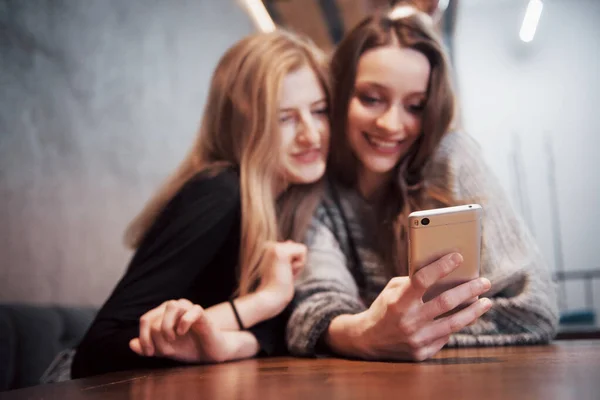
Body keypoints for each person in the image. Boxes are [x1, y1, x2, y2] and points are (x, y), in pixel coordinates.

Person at [286, 4, 559, 362]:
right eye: (371, 98)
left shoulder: (451, 158)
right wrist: (365, 334)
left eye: (415, 106)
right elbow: (315, 307)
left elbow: (534, 309)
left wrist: (398, 332)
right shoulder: (320, 182)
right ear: (338, 95)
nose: (391, 124)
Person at [71, 29, 330, 378]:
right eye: (284, 118)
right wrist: (264, 300)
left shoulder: (290, 203)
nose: (311, 135)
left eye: (319, 111)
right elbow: (96, 351)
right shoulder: (219, 192)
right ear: (243, 124)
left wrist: (238, 342)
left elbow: (268, 334)